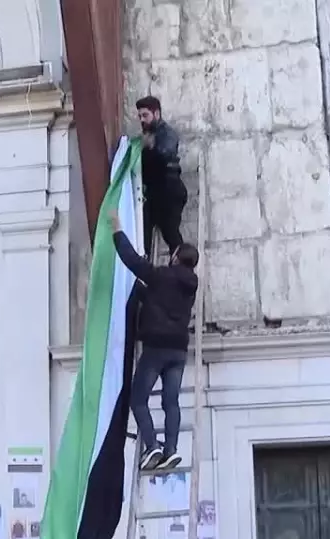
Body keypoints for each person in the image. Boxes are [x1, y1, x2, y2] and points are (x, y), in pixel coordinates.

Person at [111, 211, 199, 471]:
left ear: (175, 257)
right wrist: (140, 289)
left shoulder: (161, 275)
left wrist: (117, 229)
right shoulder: (190, 286)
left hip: (156, 348)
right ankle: (171, 450)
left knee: (138, 399)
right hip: (178, 351)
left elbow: (130, 259)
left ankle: (152, 447)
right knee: (170, 401)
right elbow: (159, 299)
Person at [135, 96, 187, 258]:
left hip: (169, 190)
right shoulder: (147, 137)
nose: (142, 120)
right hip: (153, 194)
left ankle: (182, 268)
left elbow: (164, 155)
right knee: (143, 235)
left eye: (145, 115)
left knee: (170, 233)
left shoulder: (167, 133)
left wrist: (149, 148)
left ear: (156, 114)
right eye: (140, 117)